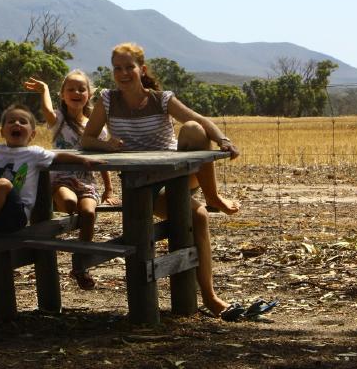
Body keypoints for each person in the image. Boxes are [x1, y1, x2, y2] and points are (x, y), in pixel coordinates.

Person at [81, 42, 244, 319]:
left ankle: (213, 195)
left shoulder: (162, 99)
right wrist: (107, 145)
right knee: (199, 217)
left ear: (141, 69)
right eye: (117, 68)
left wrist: (224, 140)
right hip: (143, 185)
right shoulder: (107, 101)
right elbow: (87, 138)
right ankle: (209, 296)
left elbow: (200, 121)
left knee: (192, 130)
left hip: (177, 176)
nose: (123, 73)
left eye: (129, 67)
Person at [0, 103, 104, 242]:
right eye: (11, 121)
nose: (16, 124)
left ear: (32, 134)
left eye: (23, 122)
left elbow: (58, 156)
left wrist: (83, 161)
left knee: (3, 183)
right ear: (2, 132)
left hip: (17, 215)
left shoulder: (34, 153)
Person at [23, 71, 120, 290]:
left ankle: (81, 262)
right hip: (61, 179)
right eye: (71, 89)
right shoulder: (58, 120)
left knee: (88, 212)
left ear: (89, 94)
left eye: (81, 89)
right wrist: (44, 89)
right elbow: (47, 110)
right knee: (69, 204)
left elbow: (102, 159)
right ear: (63, 95)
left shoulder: (96, 127)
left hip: (86, 182)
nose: (76, 93)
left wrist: (109, 189)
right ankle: (49, 208)